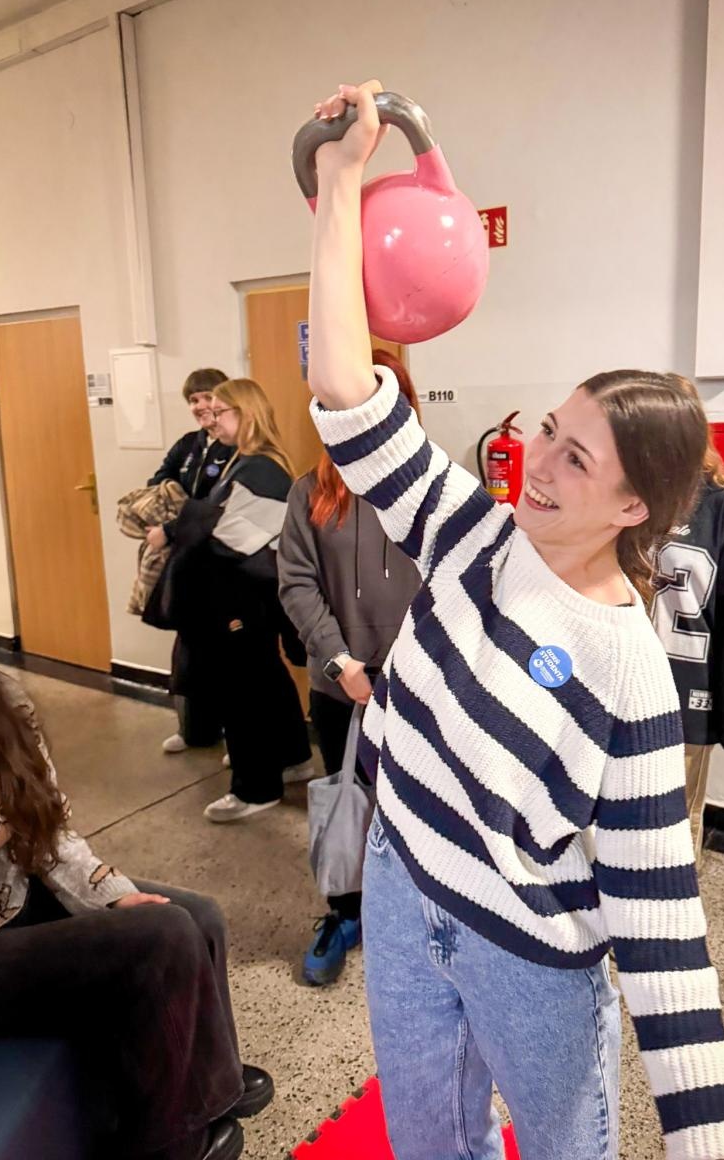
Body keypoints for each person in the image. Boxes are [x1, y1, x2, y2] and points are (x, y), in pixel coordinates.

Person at [301, 80, 724, 1160]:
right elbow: (349, 395)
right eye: (548, 430)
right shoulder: (473, 530)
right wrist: (339, 183)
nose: (536, 463)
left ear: (635, 508)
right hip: (401, 881)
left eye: (575, 458)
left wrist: (714, 1134)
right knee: (427, 1140)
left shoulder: (628, 668)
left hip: (526, 951)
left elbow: (659, 919)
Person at [0, 668, 274, 1160]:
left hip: (18, 899)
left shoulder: (8, 702)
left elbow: (50, 830)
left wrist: (115, 895)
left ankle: (214, 1087)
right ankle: (173, 1145)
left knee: (197, 916)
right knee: (164, 935)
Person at [278, 350, 422, 987]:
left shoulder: (431, 486)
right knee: (348, 801)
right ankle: (344, 912)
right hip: (343, 685)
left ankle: (415, 919)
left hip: (420, 686)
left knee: (417, 809)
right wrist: (341, 663)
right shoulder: (309, 492)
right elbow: (296, 584)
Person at [180, 378, 314, 823]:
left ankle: (255, 787)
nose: (211, 420)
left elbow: (225, 535)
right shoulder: (245, 461)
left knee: (242, 690)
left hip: (244, 597)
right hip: (249, 595)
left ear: (247, 414)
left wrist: (183, 526)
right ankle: (293, 756)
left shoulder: (260, 469)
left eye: (220, 412)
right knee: (264, 677)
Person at [651, 413, 724, 864]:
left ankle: (674, 903)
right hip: (617, 684)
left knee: (673, 824)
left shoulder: (722, 505)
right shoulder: (623, 490)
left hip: (684, 687)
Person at [146, 368, 234, 756]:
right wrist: (178, 513)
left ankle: (237, 734)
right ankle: (195, 730)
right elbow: (158, 485)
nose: (200, 406)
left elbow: (217, 506)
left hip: (223, 564)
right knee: (189, 652)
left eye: (207, 397)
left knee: (225, 654)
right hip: (187, 564)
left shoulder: (237, 448)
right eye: (193, 400)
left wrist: (172, 526)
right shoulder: (189, 445)